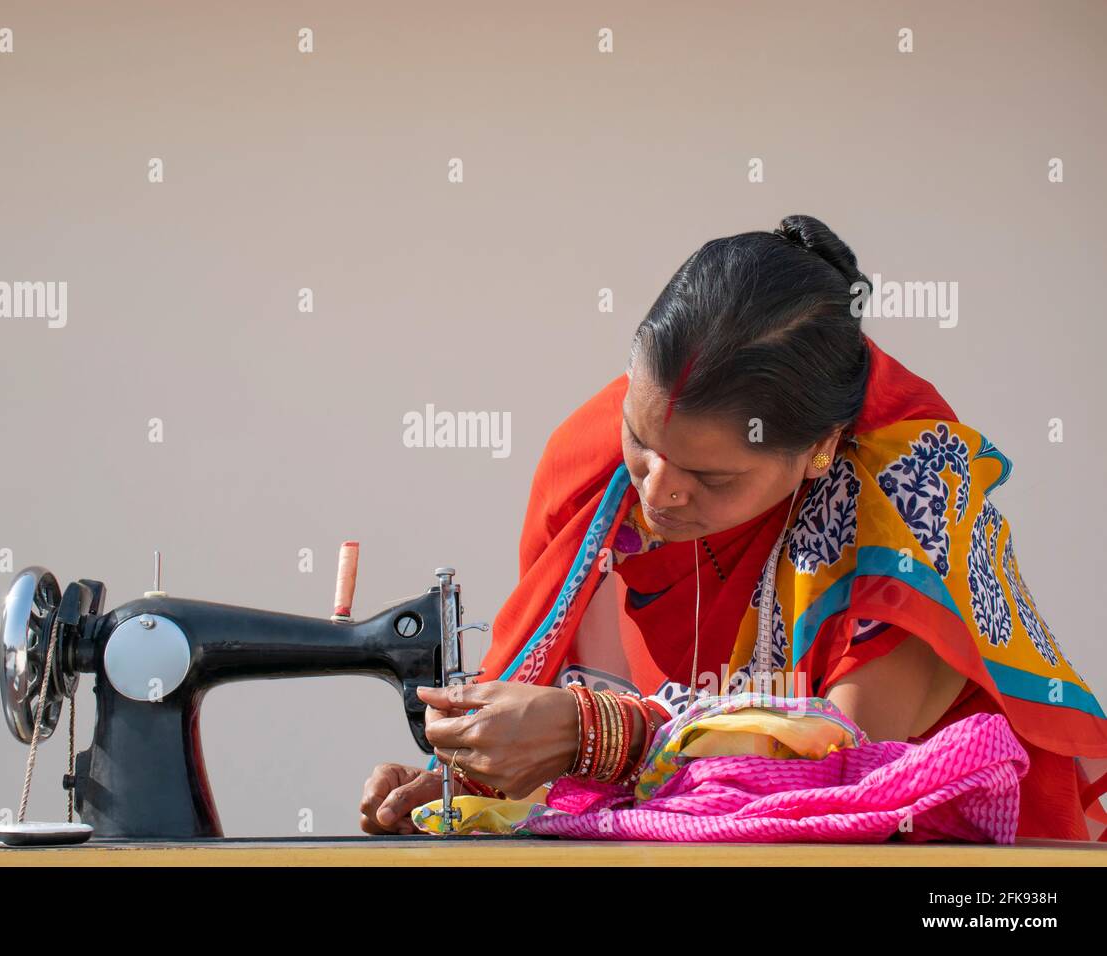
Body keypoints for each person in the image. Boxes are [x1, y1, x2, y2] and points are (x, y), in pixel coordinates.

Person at [359, 214, 1107, 840]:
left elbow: (839, 778)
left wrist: (594, 736)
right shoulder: (592, 467)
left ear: (817, 451)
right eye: (641, 439)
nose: (657, 490)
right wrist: (472, 787)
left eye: (711, 479)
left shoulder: (908, 497)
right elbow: (567, 717)